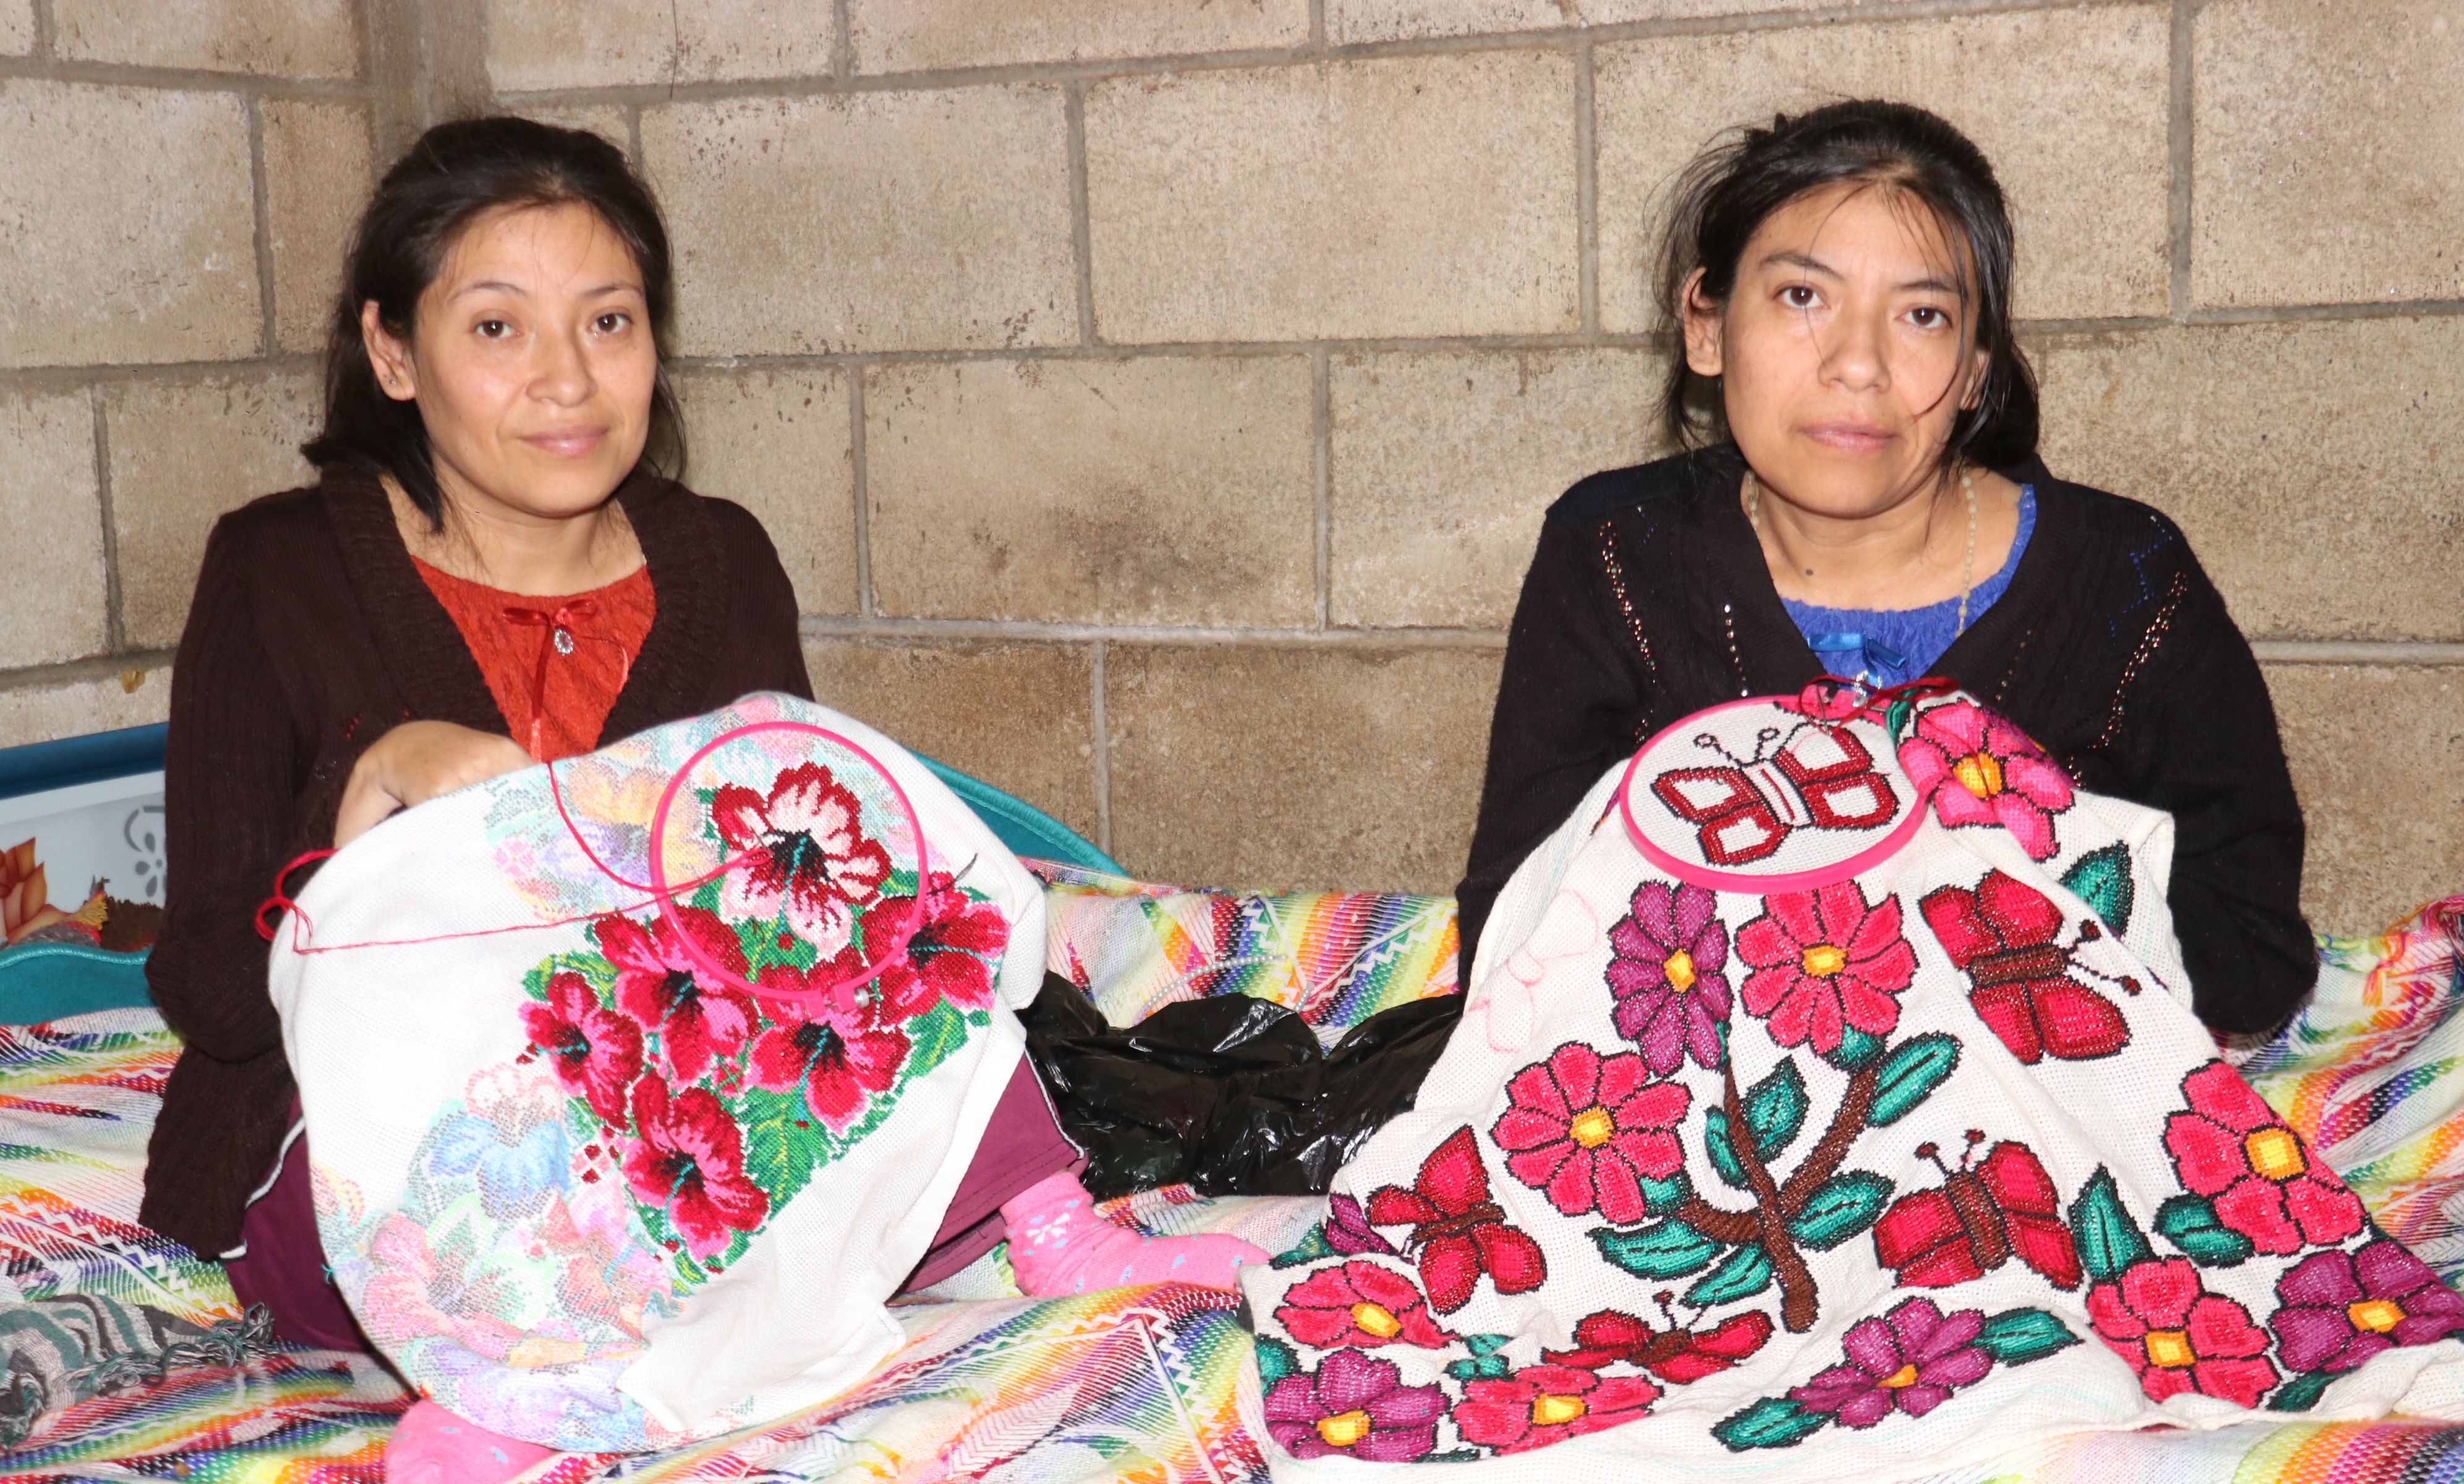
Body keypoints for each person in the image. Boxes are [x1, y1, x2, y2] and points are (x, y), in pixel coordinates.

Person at [137, 117, 1259, 1484]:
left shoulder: (718, 559)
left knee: (902, 921)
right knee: (484, 1158)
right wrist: (369, 783)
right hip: (389, 1132)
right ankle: (503, 1393)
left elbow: (804, 915)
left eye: (607, 321)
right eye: (498, 329)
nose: (567, 381)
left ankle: (1047, 1222)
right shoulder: (279, 572)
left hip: (672, 1100)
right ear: (390, 353)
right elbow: (206, 982)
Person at [1455, 100, 2311, 1037]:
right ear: (1706, 323)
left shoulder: (2125, 586)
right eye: (1801, 297)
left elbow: (2251, 955)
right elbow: (1518, 931)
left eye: (1923, 314)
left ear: (1978, 367)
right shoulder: (1618, 556)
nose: (1858, 363)